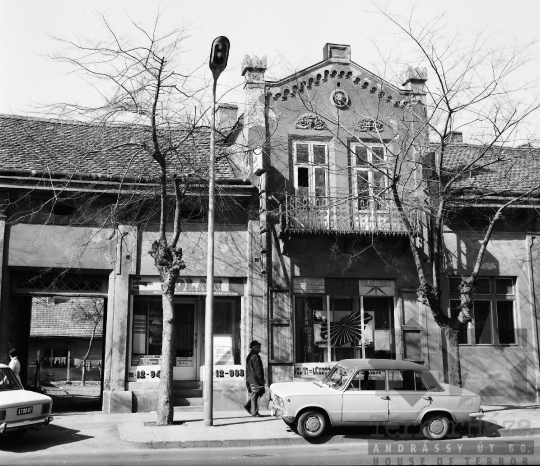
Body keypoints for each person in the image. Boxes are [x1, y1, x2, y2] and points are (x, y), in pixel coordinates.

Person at [243, 340, 265, 417]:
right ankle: (254, 412)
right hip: (255, 379)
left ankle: (250, 406)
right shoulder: (255, 356)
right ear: (255, 348)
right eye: (259, 347)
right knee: (255, 395)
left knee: (258, 393)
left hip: (252, 379)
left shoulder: (250, 355)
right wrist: (261, 380)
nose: (260, 349)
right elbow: (258, 370)